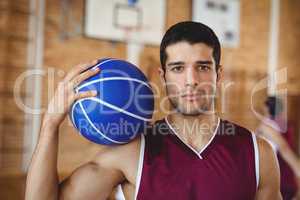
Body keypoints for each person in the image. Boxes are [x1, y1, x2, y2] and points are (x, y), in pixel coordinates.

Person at [25, 21, 282, 200]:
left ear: (218, 74)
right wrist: (49, 126)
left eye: (202, 67)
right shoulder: (131, 153)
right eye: (178, 68)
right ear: (163, 76)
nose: (191, 80)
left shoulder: (258, 153)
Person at [257, 96, 300, 199]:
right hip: (287, 177)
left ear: (267, 108)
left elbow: (284, 149)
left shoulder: (266, 127)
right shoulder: (286, 125)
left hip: (281, 179)